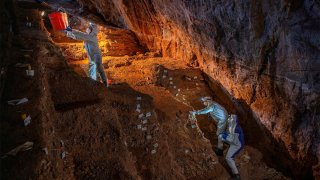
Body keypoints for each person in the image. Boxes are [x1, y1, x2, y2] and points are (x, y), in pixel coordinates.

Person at [65, 23, 108, 88]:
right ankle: (93, 83)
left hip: (96, 55)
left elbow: (81, 34)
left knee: (99, 67)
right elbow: (78, 37)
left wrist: (71, 30)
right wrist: (68, 33)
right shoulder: (88, 37)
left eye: (88, 29)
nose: (86, 29)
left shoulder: (92, 36)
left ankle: (105, 82)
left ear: (91, 30)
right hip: (91, 56)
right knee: (92, 70)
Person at [218, 114, 244, 180]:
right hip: (233, 142)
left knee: (228, 158)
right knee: (220, 136)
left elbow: (232, 140)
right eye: (229, 118)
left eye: (230, 118)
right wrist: (224, 134)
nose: (229, 119)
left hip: (237, 145)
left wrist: (224, 136)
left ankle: (236, 175)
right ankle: (219, 151)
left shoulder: (236, 129)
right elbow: (228, 133)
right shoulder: (231, 125)